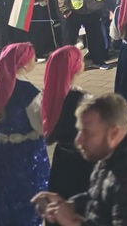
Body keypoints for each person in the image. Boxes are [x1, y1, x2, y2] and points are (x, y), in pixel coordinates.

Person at [32, 93, 127, 225]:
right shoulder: (111, 154)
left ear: (113, 133)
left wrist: (73, 223)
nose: (78, 140)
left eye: (87, 132)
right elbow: (99, 197)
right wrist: (68, 205)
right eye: (79, 130)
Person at [0, 42, 48, 225]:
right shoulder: (29, 93)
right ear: (24, 64)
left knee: (2, 197)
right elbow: (41, 126)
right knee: (28, 201)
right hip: (24, 154)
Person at [42, 46, 94, 202]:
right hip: (82, 161)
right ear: (75, 66)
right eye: (81, 59)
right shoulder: (82, 98)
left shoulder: (47, 95)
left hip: (61, 158)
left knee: (60, 200)